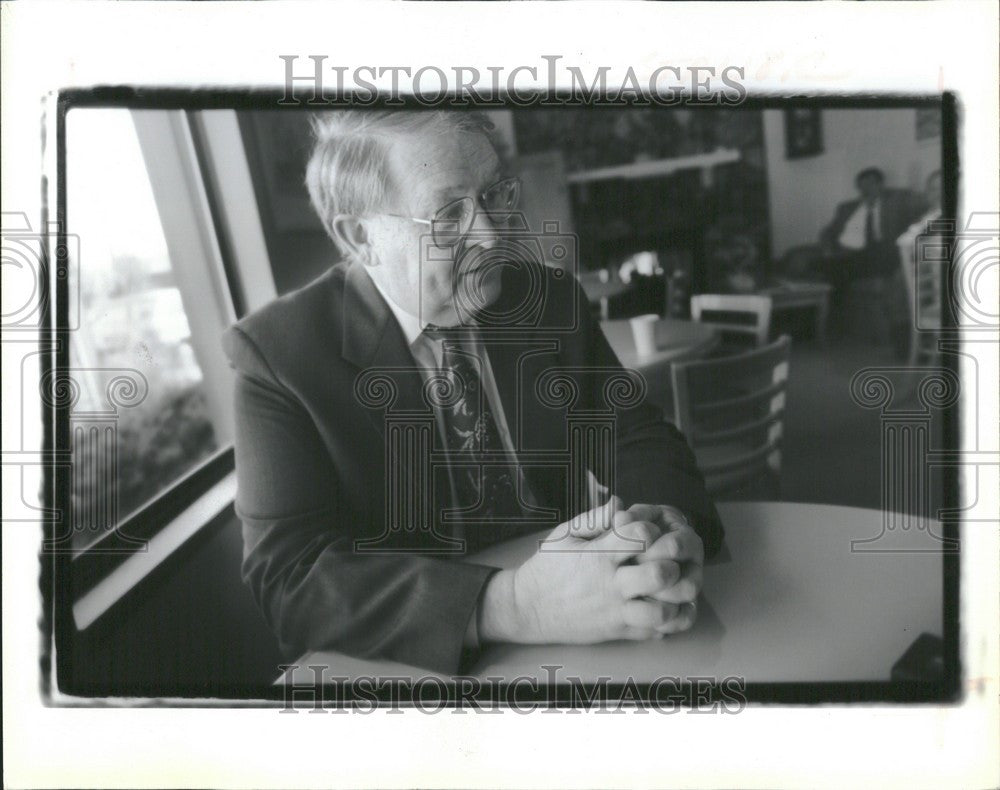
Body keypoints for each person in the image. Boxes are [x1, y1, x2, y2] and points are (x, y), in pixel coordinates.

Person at [222, 110, 724, 674]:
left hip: (583, 647)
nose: (491, 235)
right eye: (449, 212)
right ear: (360, 235)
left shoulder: (548, 299)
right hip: (407, 677)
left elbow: (635, 436)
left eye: (494, 195)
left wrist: (667, 529)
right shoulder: (279, 356)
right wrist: (511, 605)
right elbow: (289, 578)